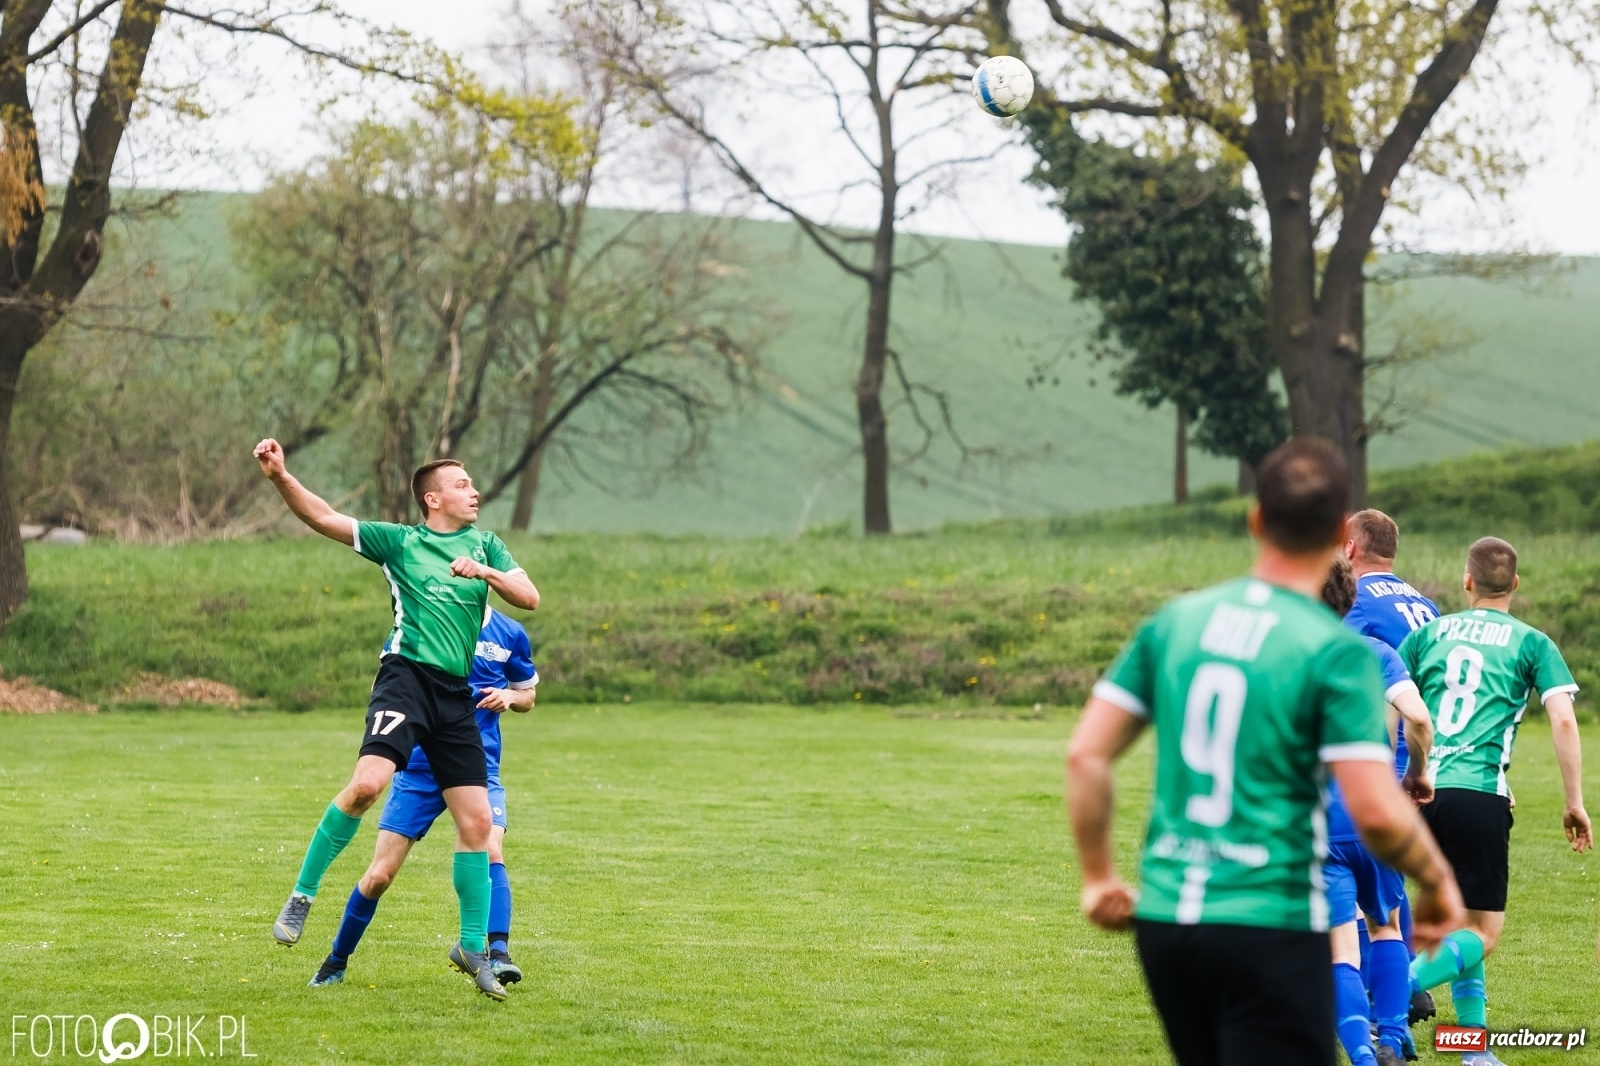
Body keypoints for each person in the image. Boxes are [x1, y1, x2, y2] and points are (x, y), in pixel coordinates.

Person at [1066, 437, 1464, 1066]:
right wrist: (1437, 879)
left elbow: (1086, 756)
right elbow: (1378, 811)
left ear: (1256, 520)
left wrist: (1097, 878)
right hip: (1269, 921)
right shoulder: (1336, 653)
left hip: (1169, 922)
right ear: (1341, 533)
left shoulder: (1177, 621)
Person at [254, 440, 540, 1001]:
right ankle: (303, 895)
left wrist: (484, 569)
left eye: (472, 483)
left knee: (479, 826)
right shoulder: (402, 542)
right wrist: (280, 477)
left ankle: (473, 949)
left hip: (455, 695)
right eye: (462, 484)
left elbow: (529, 596)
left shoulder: (487, 545)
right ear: (432, 499)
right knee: (366, 786)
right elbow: (322, 516)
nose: (474, 490)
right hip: (406, 680)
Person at [1402, 537, 1591, 1064]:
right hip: (1480, 794)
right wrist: (1574, 800)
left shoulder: (1425, 636)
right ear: (1515, 585)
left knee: (1459, 922)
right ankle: (1395, 988)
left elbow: (1393, 707)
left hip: (1424, 795)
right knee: (1484, 931)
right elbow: (1562, 718)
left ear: (1466, 581)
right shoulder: (1533, 643)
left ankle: (1473, 1050)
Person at [309, 607, 538, 988]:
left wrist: (509, 698)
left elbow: (527, 693)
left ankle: (497, 955)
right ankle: (336, 960)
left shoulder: (509, 633)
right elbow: (386, 683)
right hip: (419, 768)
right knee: (380, 875)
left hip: (477, 768)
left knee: (491, 848)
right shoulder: (423, 621)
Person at [1319, 557, 1434, 1066]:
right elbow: (1419, 717)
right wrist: (1417, 772)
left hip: (1319, 816)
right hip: (1376, 809)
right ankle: (1392, 1036)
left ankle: (1364, 1055)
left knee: (1342, 945)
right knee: (1386, 922)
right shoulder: (1379, 653)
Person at [1342, 508, 1448, 1028]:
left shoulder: (1354, 601)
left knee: (1364, 879)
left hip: (1396, 753)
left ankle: (1388, 991)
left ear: (1351, 548)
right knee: (1388, 876)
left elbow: (1344, 665)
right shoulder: (1422, 602)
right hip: (1440, 749)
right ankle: (1407, 986)